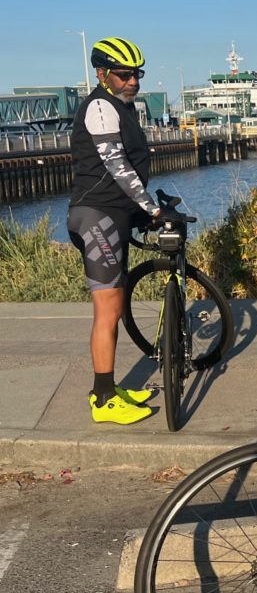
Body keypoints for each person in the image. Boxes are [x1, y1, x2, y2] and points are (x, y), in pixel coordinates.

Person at [68, 37, 165, 425]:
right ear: (102, 73)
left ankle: (108, 387)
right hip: (98, 218)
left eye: (137, 74)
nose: (133, 81)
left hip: (112, 217)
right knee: (107, 311)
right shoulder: (99, 107)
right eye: (124, 74)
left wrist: (143, 211)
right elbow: (116, 165)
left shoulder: (121, 107)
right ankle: (104, 400)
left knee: (115, 305)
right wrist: (151, 207)